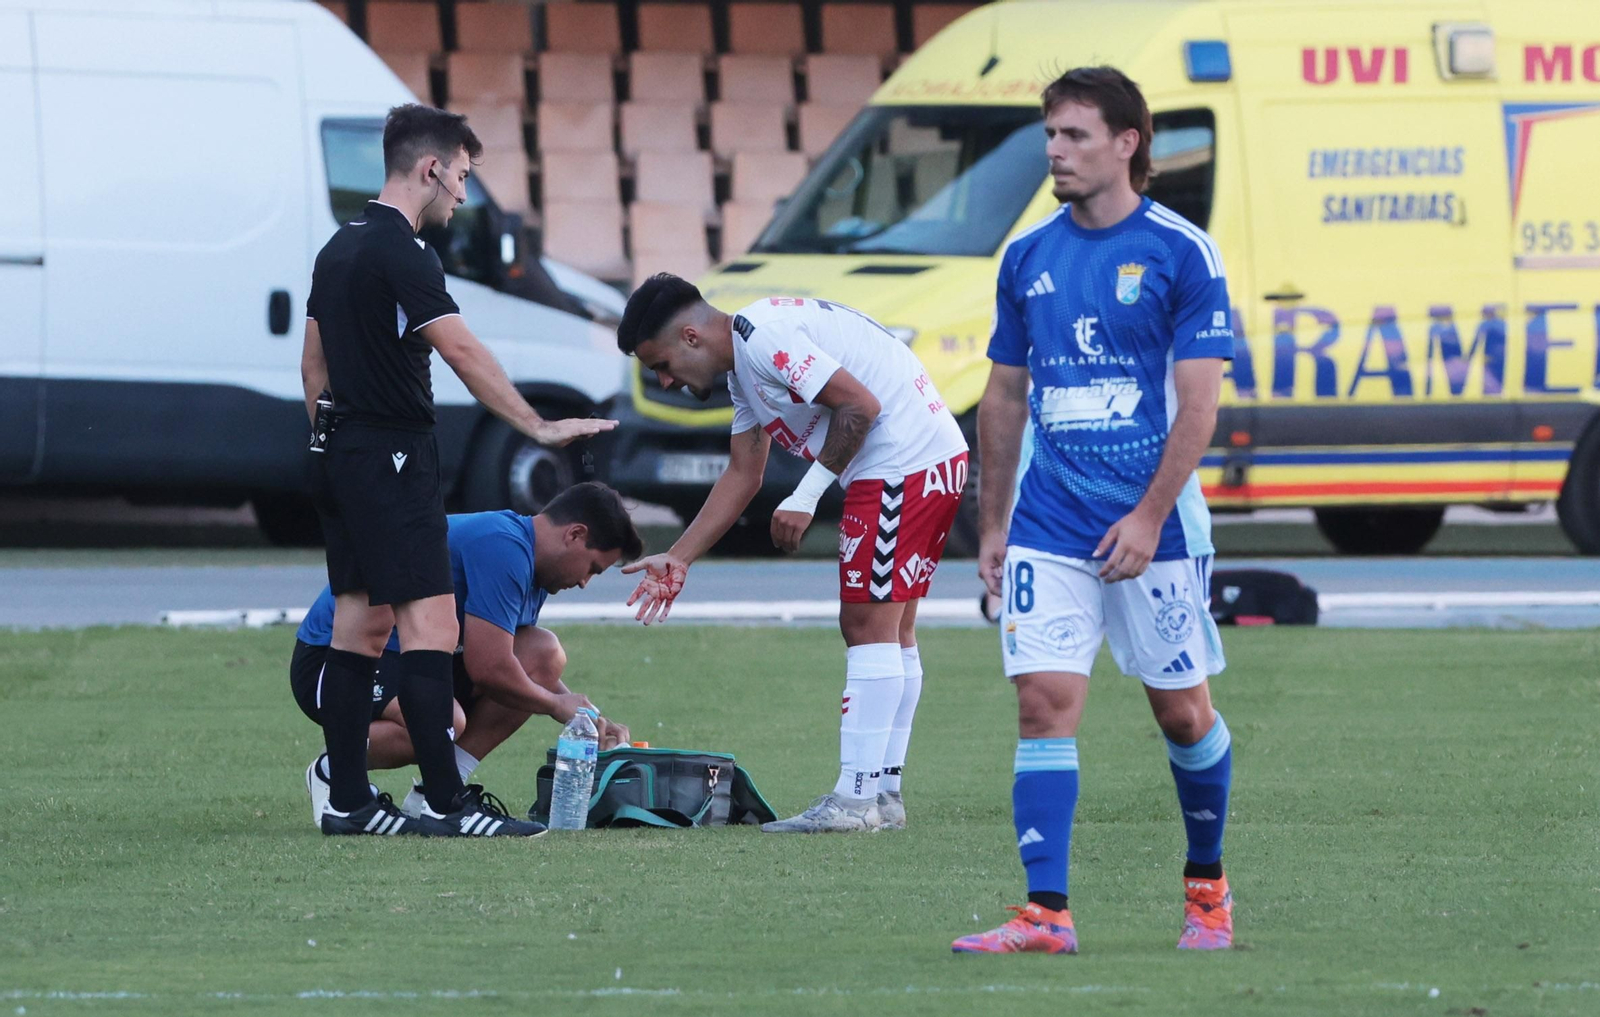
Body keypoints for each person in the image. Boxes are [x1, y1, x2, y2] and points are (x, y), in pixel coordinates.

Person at [951, 67, 1237, 955]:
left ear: (1128, 143)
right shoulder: (1028, 256)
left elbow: (1197, 405)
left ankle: (1208, 890)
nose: (1055, 153)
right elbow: (1002, 395)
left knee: (1182, 713)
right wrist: (993, 523)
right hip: (1048, 521)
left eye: (1074, 136)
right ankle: (1046, 912)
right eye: (1050, 137)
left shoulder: (1182, 252)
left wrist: (1151, 516)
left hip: (1155, 528)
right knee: (1043, 702)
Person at [300, 103, 615, 837]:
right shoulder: (404, 254)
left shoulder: (335, 249)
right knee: (431, 624)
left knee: (360, 623)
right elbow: (463, 351)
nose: (464, 197)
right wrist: (536, 424)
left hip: (340, 451)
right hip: (394, 454)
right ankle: (445, 800)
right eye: (463, 177)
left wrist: (333, 450)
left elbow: (313, 367)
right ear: (430, 168)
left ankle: (347, 800)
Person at [616, 274, 968, 833]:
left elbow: (860, 406)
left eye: (661, 364)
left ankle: (854, 804)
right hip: (929, 458)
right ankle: (881, 798)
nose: (665, 380)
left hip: (903, 463)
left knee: (866, 624)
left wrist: (805, 497)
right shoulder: (745, 368)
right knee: (892, 631)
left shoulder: (763, 338)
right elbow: (743, 472)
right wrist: (679, 557)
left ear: (690, 337)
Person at [291, 483, 642, 832]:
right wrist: (555, 705)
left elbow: (518, 668)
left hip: (408, 656)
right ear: (575, 535)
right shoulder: (504, 547)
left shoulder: (533, 566)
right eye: (593, 568)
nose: (585, 582)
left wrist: (587, 717)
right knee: (445, 718)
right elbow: (489, 668)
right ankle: (335, 771)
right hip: (333, 659)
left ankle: (440, 790)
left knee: (542, 654)